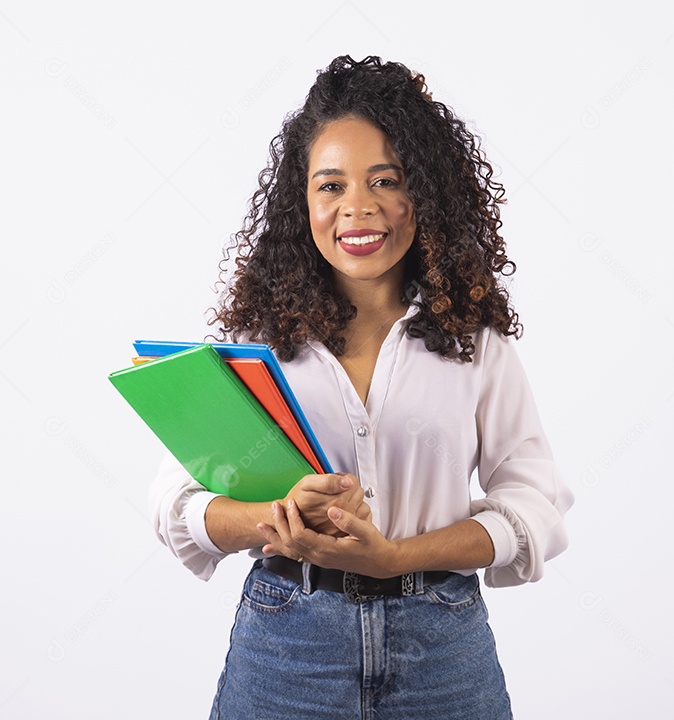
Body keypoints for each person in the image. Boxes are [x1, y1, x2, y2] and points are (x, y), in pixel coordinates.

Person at [149, 55, 574, 719]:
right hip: (288, 649)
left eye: (386, 180)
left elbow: (534, 506)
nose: (358, 208)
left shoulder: (473, 342)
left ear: (425, 194)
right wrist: (274, 519)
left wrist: (397, 557)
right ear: (303, 202)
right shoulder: (258, 344)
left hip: (443, 652)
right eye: (331, 186)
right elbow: (177, 502)